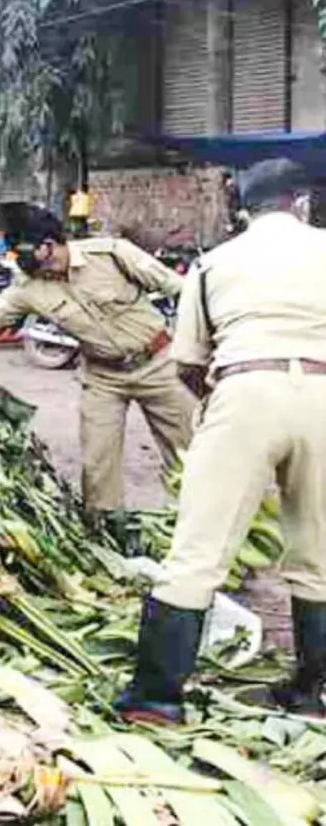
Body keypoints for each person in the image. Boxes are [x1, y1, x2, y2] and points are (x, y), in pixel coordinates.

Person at [116, 159, 326, 724]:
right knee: (318, 556)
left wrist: (222, 402)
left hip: (244, 389)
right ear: (301, 203)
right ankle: (313, 692)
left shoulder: (214, 263)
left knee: (198, 551)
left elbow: (188, 361)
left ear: (243, 209)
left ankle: (156, 699)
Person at [0, 203, 194, 552]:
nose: (18, 257)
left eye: (23, 249)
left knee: (188, 454)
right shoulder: (27, 289)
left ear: (47, 245)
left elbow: (183, 291)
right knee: (97, 464)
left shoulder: (112, 254)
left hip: (159, 363)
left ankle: (201, 535)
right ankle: (111, 543)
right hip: (103, 376)